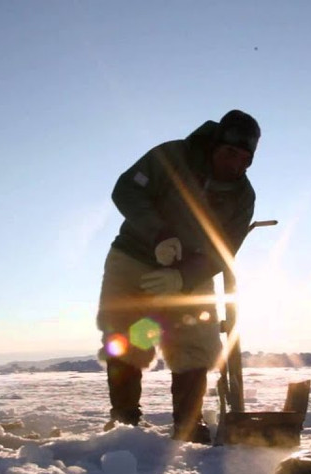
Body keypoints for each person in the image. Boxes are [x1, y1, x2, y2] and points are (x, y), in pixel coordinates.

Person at [96, 110, 261, 443]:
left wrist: (183, 278)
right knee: (126, 338)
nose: (236, 165)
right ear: (215, 144)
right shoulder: (172, 157)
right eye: (231, 154)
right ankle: (124, 422)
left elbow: (224, 250)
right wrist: (159, 234)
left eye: (246, 160)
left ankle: (188, 424)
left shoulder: (243, 196)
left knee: (194, 346)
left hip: (191, 274)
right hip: (133, 259)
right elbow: (126, 190)